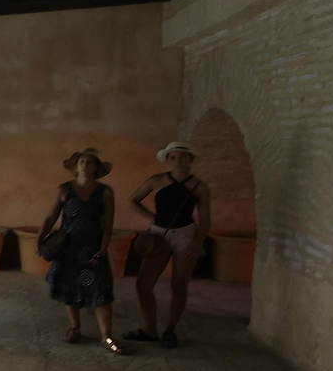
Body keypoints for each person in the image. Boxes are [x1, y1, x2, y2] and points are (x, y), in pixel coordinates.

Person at [124, 141, 211, 348]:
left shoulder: (199, 186)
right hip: (158, 235)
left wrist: (198, 242)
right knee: (143, 284)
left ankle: (170, 330)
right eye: (173, 157)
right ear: (168, 160)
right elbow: (132, 200)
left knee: (179, 284)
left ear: (190, 160)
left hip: (185, 235)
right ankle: (150, 329)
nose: (177, 160)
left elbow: (205, 220)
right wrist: (153, 217)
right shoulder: (157, 180)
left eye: (182, 156)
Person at [37, 148, 122, 351]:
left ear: (96, 167)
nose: (84, 165)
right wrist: (39, 239)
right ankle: (75, 327)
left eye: (89, 162)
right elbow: (51, 217)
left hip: (93, 247)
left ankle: (106, 336)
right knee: (69, 286)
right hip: (68, 246)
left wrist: (104, 245)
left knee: (101, 290)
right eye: (81, 161)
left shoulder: (105, 192)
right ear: (76, 167)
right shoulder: (64, 189)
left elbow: (108, 223)